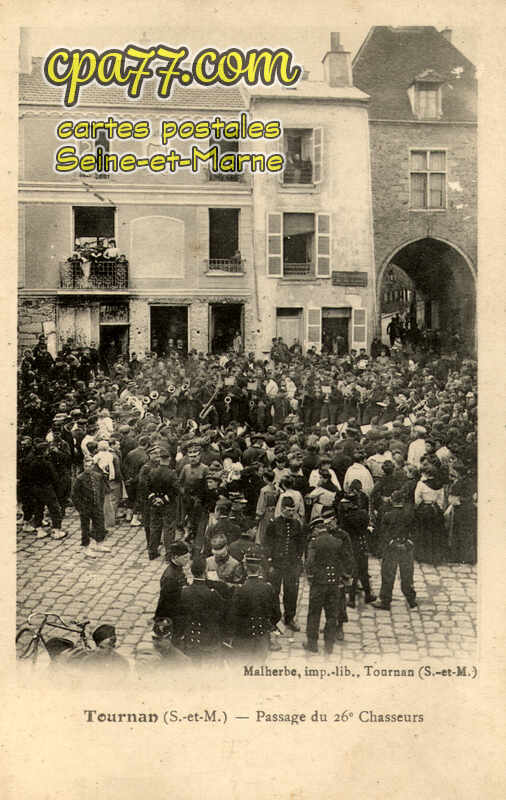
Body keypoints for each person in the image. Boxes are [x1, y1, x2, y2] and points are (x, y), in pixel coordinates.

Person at [303, 516, 354, 653]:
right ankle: (329, 645)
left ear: (317, 529)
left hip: (319, 583)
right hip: (334, 583)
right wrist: (344, 576)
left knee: (314, 613)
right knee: (332, 614)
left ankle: (312, 644)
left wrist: (310, 576)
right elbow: (347, 560)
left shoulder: (314, 543)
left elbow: (309, 562)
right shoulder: (338, 542)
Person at [264, 495, 305, 631]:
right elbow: (267, 545)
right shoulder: (273, 524)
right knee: (274, 592)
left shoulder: (297, 524)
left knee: (291, 592)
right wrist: (269, 563)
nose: (291, 513)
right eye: (288, 510)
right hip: (276, 564)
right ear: (282, 509)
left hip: (291, 564)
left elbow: (300, 544)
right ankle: (273, 619)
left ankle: (290, 618)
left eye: (293, 510)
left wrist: (298, 562)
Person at [372, 490, 417, 611]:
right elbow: (415, 531)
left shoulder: (388, 515)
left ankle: (385, 601)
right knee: (407, 574)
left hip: (391, 549)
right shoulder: (410, 514)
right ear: (402, 501)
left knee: (388, 574)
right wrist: (408, 543)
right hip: (406, 547)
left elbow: (383, 533)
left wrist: (392, 543)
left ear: (392, 500)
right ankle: (411, 599)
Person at [229, 546, 276, 660]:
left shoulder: (240, 590)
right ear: (259, 567)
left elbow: (233, 616)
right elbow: (276, 615)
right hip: (262, 637)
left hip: (244, 637)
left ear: (245, 567)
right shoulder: (268, 588)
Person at [180, 557, 226, 662]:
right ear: (205, 571)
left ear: (191, 571)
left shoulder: (184, 592)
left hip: (191, 637)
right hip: (209, 639)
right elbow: (222, 615)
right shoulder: (212, 594)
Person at [72, 459, 112, 557]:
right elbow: (74, 495)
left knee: (100, 524)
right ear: (83, 466)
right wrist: (80, 508)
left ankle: (99, 544)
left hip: (96, 506)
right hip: (85, 507)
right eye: (86, 466)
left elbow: (101, 491)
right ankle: (86, 547)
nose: (88, 468)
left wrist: (100, 503)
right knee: (85, 527)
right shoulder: (79, 479)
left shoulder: (98, 476)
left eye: (90, 466)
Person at [154, 541, 191, 644]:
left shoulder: (177, 569)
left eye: (188, 557)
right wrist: (160, 619)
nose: (187, 560)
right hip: (174, 614)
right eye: (185, 558)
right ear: (175, 557)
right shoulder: (170, 577)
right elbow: (164, 600)